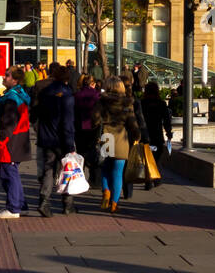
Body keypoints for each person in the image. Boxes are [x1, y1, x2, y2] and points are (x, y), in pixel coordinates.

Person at [34, 63, 76, 218]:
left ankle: (44, 202)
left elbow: (36, 112)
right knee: (67, 170)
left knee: (48, 170)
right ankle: (67, 204)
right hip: (62, 139)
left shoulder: (45, 92)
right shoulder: (67, 94)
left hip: (46, 137)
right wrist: (70, 144)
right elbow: (67, 122)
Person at [94, 78, 140, 213]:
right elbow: (132, 124)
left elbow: (94, 119)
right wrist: (137, 136)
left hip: (106, 138)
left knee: (104, 169)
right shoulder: (127, 103)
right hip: (121, 138)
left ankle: (106, 191)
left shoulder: (101, 102)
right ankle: (114, 203)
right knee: (118, 173)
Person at [0, 69, 31, 218]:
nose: (4, 76)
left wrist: (0, 138)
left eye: (7, 75)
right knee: (10, 172)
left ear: (15, 80)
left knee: (8, 174)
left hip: (10, 143)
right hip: (18, 141)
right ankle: (20, 204)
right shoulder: (17, 95)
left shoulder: (11, 99)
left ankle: (14, 208)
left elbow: (8, 123)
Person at [140, 81, 173, 190]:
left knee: (146, 157)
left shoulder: (142, 103)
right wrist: (168, 133)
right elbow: (166, 120)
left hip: (145, 135)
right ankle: (156, 179)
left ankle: (148, 179)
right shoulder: (161, 103)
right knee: (156, 158)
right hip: (157, 135)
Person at [74, 73, 102, 184]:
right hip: (93, 127)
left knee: (81, 152)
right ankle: (94, 177)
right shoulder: (97, 95)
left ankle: (80, 175)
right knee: (94, 151)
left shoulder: (77, 95)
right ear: (93, 84)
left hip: (79, 127)